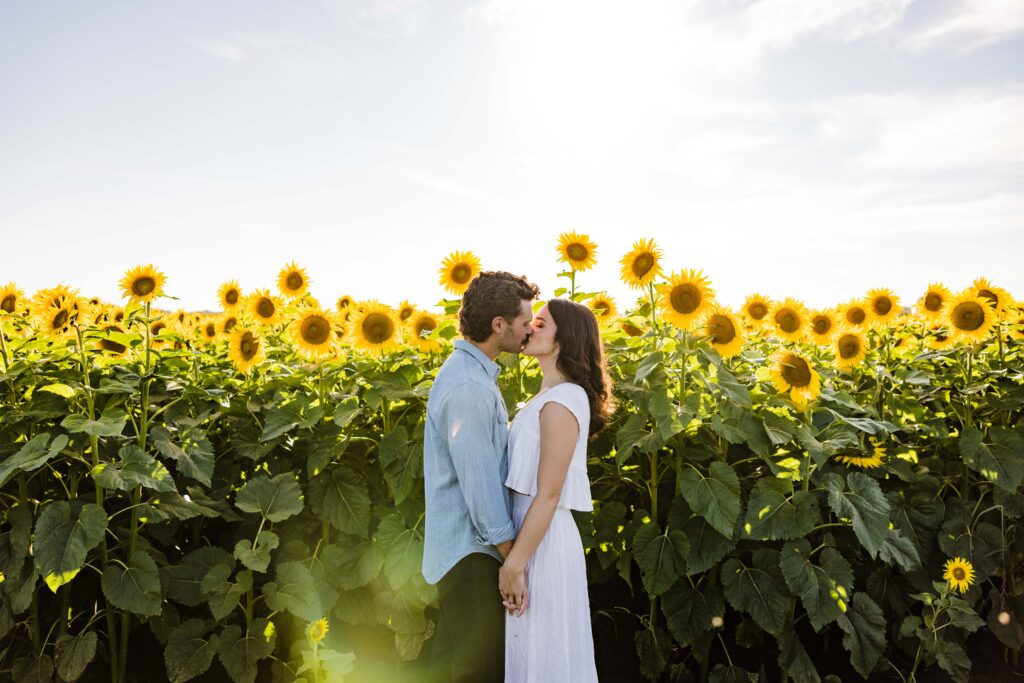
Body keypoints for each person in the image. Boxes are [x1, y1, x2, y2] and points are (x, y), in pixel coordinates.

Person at [422, 270, 540, 683]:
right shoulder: (469, 387)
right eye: (525, 322)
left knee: (458, 670)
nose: (529, 330)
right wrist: (513, 560)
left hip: (464, 552)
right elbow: (480, 487)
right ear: (498, 325)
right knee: (479, 672)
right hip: (471, 555)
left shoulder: (470, 375)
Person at [500, 297, 614, 682]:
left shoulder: (563, 400)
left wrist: (514, 565)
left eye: (541, 323)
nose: (529, 326)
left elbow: (549, 492)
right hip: (532, 535)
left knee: (547, 659)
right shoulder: (548, 397)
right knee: (531, 655)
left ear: (566, 338)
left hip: (542, 544)